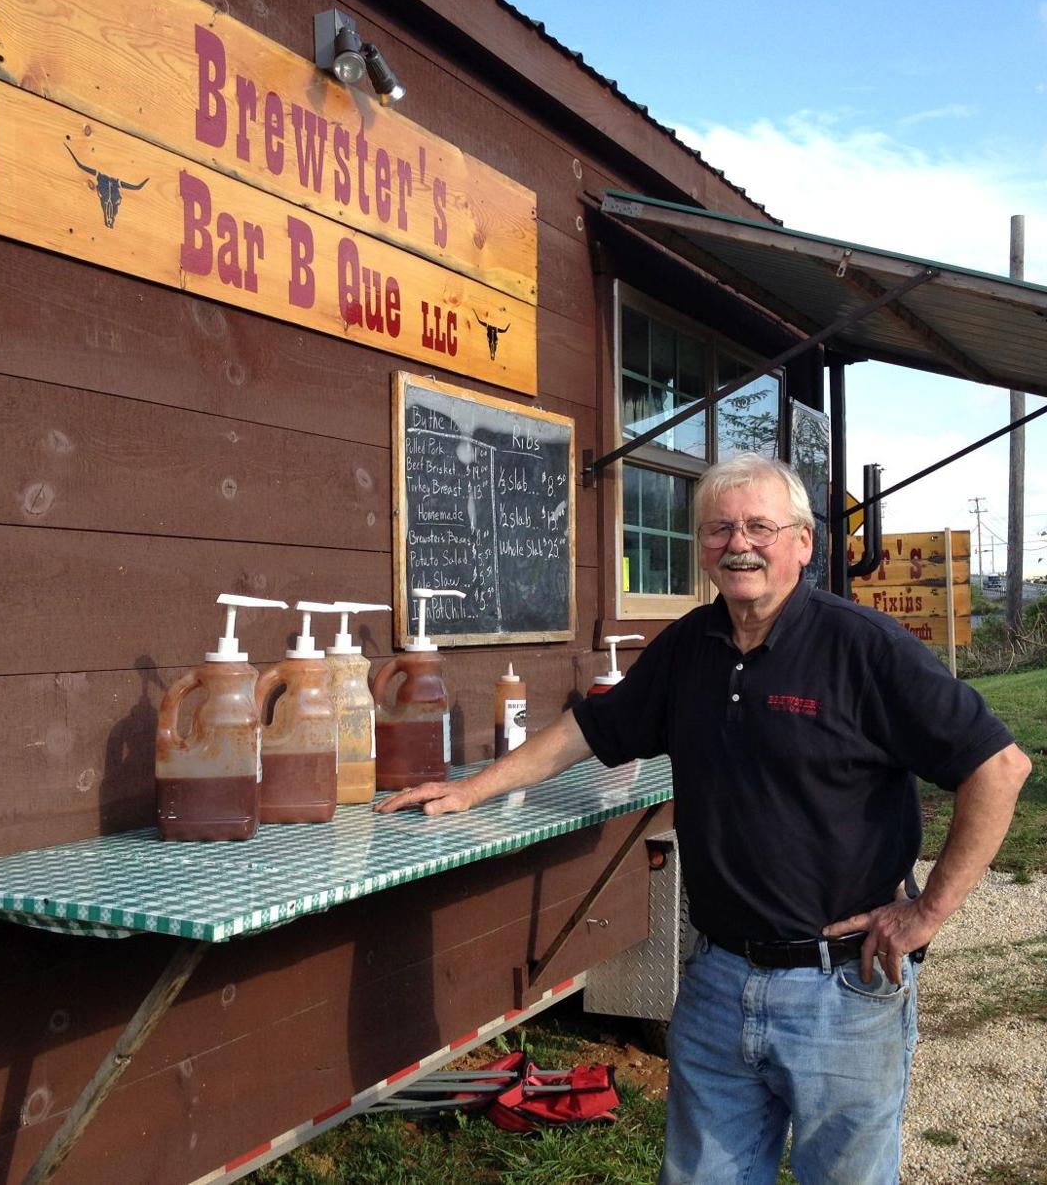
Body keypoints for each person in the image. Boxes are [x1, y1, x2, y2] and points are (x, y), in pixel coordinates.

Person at [376, 453, 1030, 1185]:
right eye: (718, 529)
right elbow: (589, 729)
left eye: (759, 526)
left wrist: (929, 911)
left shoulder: (863, 647)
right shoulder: (691, 645)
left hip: (841, 990)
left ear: (804, 542)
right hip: (719, 980)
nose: (738, 543)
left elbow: (999, 767)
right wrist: (473, 790)